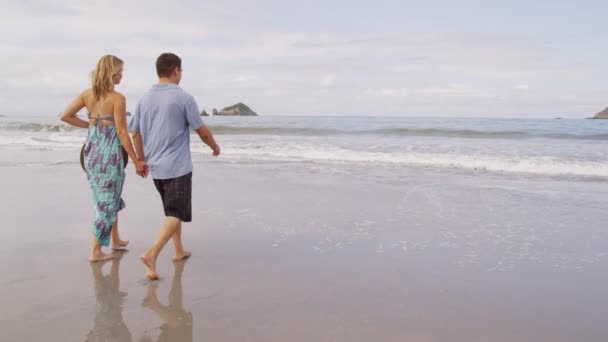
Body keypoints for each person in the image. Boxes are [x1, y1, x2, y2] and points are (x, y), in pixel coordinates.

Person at [130, 52, 220, 280]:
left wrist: (140, 159)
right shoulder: (183, 97)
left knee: (172, 211)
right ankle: (152, 254)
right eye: (181, 71)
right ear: (176, 70)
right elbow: (201, 129)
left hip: (156, 167)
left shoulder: (144, 98)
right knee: (175, 212)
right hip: (177, 167)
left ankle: (179, 250)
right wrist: (214, 146)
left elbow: (136, 133)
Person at [60, 55, 147, 262]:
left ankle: (115, 240)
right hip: (109, 155)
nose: (122, 76)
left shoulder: (86, 95)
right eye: (120, 72)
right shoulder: (118, 98)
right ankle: (96, 251)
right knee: (106, 201)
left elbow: (65, 115)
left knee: (106, 196)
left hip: (91, 152)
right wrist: (137, 161)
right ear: (112, 73)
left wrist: (91, 125)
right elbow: (123, 133)